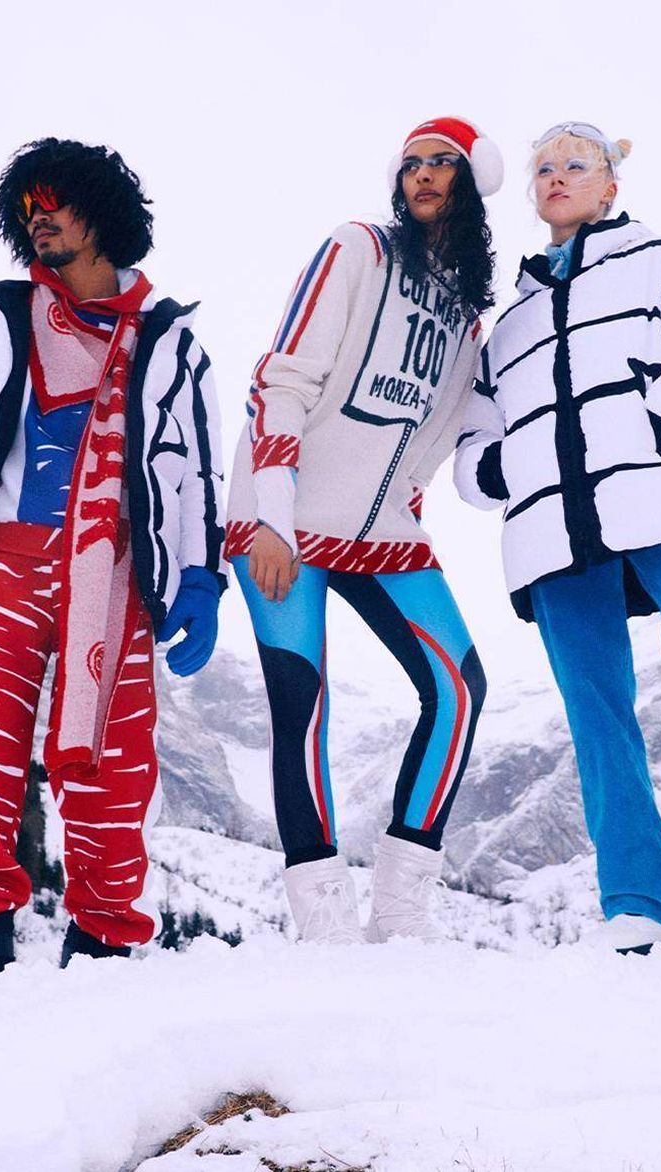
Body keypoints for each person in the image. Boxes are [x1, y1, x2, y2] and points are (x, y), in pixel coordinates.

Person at [0, 138, 225, 980]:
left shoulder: (172, 345)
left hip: (115, 578)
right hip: (2, 560)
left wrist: (197, 575)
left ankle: (103, 960)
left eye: (55, 200)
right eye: (26, 206)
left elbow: (195, 471)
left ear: (102, 211)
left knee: (119, 769)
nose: (38, 217)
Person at [453, 121, 661, 957]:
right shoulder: (511, 321)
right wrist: (494, 472)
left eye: (576, 165)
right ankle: (636, 901)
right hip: (553, 531)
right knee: (596, 711)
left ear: (609, 187)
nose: (556, 177)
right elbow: (477, 426)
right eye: (544, 168)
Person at [225, 117, 501, 944]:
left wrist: (415, 502)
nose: (422, 175)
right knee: (301, 705)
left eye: (441, 164)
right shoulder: (357, 249)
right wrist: (272, 516)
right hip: (282, 518)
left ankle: (403, 905)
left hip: (380, 529)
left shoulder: (466, 316)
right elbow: (284, 379)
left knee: (459, 689)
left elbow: (441, 433)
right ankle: (325, 922)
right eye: (411, 163)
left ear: (471, 184)